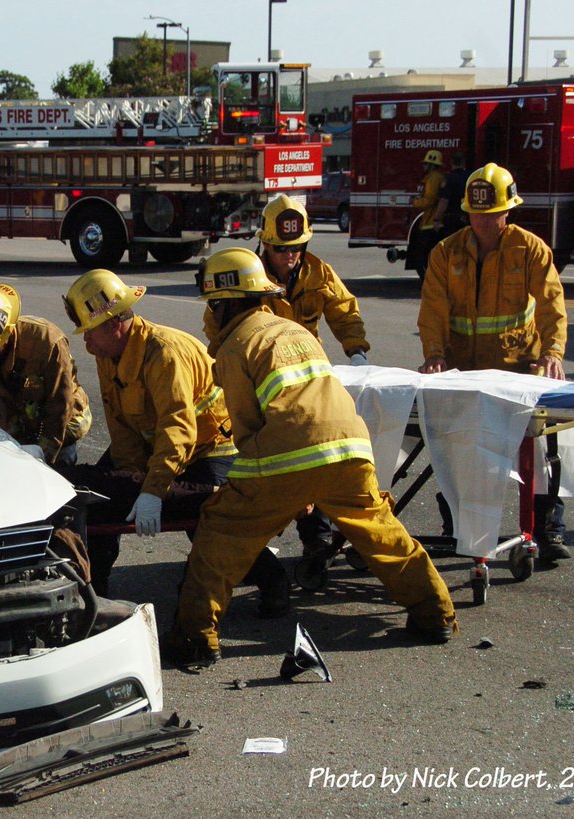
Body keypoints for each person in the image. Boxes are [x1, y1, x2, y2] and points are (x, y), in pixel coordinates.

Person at [162, 249, 458, 667]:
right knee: (381, 532)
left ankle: (195, 637)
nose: (207, 318)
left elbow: (247, 430)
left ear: (224, 302)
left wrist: (269, 494)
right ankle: (435, 614)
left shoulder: (234, 346)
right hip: (351, 449)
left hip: (287, 454)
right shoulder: (295, 331)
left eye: (211, 307)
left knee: (220, 534)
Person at [62, 268, 288, 606]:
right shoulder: (109, 353)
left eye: (89, 331)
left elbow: (178, 428)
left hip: (212, 448)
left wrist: (153, 491)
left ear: (114, 324)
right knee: (99, 503)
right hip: (162, 446)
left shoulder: (163, 353)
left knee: (207, 518)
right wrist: (129, 478)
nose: (85, 341)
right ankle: (97, 595)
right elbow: (121, 427)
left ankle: (272, 580)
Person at [418, 162, 571, 563]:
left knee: (539, 450)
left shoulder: (531, 250)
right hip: (462, 373)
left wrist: (552, 354)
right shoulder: (445, 253)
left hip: (519, 369)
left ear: (508, 211)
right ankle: (456, 522)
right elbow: (432, 309)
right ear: (467, 212)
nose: (483, 222)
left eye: (491, 214)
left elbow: (552, 307)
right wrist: (433, 354)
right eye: (476, 214)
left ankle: (547, 527)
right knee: (454, 448)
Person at [254, 195, 372, 565]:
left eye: (296, 248)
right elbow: (221, 330)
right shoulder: (247, 276)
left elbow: (343, 310)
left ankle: (317, 535)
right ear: (266, 245)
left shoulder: (317, 272)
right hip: (261, 384)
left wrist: (357, 349)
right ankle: (256, 537)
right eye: (281, 249)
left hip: (308, 382)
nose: (290, 256)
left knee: (317, 456)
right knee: (263, 462)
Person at [0, 283, 92, 469]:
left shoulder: (46, 343)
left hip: (61, 427)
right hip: (13, 429)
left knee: (58, 477)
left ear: (8, 332)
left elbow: (59, 409)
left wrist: (42, 458)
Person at [410, 149, 447, 280]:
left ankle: (429, 281)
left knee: (421, 257)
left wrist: (415, 202)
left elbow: (429, 201)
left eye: (426, 164)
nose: (424, 166)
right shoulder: (439, 177)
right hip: (436, 222)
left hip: (429, 223)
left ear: (432, 164)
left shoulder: (432, 179)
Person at [434, 152, 470, 237]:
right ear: (463, 162)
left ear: (451, 163)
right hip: (466, 218)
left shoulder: (449, 178)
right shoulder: (469, 177)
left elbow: (444, 201)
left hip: (452, 220)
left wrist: (436, 219)